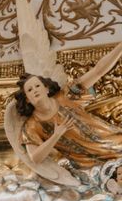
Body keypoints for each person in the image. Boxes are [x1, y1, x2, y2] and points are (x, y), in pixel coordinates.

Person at [13, 41, 122, 169]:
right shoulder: (32, 126)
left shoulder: (66, 95)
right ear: (27, 99)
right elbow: (35, 158)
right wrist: (56, 135)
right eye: (30, 90)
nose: (35, 90)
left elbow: (98, 71)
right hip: (91, 165)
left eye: (37, 86)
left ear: (46, 88)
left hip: (114, 143)